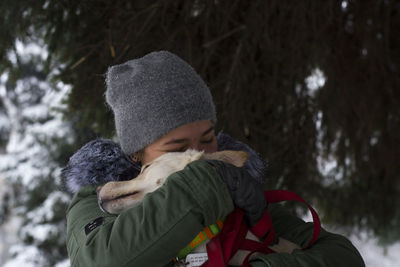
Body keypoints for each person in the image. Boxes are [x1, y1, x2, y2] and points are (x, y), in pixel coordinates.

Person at [65, 51, 365, 267]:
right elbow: (101, 261)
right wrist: (201, 185)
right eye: (177, 147)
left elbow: (342, 256)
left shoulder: (236, 195)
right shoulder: (96, 201)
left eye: (208, 138)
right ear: (137, 153)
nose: (201, 155)